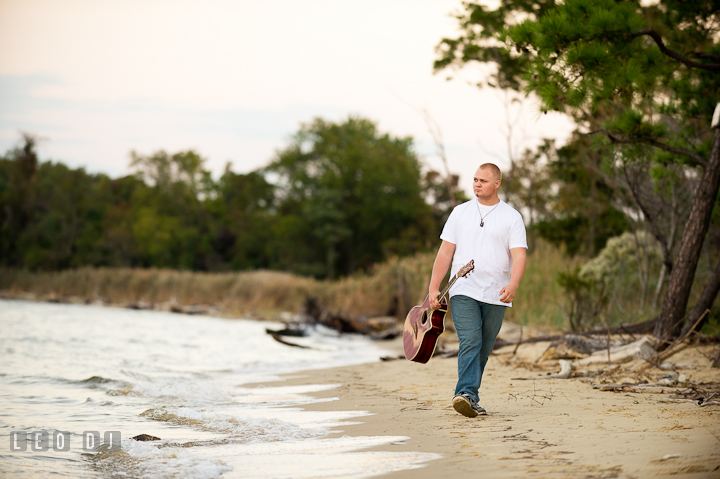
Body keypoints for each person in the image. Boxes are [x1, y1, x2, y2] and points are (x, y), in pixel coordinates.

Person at [428, 163, 527, 418]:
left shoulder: (511, 217)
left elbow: (519, 256)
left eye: (483, 180)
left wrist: (513, 284)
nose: (477, 184)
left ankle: (470, 396)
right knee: (470, 339)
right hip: (463, 289)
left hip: (497, 293)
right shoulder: (460, 213)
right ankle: (465, 394)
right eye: (474, 179)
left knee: (484, 346)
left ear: (497, 184)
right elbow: (445, 252)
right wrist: (433, 288)